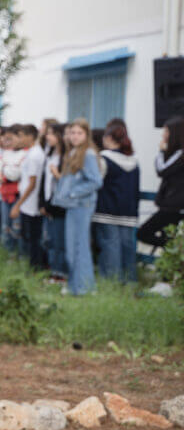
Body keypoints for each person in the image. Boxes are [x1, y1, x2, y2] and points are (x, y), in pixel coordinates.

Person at [52, 118, 103, 296]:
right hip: (73, 205)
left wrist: (73, 193)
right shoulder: (74, 152)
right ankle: (76, 286)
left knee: (79, 247)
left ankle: (84, 288)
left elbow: (96, 181)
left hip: (82, 205)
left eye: (79, 133)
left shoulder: (87, 154)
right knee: (73, 247)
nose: (74, 136)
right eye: (72, 132)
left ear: (86, 135)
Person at [93, 121, 139, 282]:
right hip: (129, 211)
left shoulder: (104, 159)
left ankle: (112, 282)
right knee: (127, 247)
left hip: (107, 210)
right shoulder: (134, 160)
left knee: (110, 246)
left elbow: (95, 182)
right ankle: (130, 281)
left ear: (108, 138)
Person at [137, 116, 184, 247]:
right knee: (168, 236)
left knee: (143, 233)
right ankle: (173, 250)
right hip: (172, 205)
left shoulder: (180, 154)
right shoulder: (177, 153)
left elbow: (162, 170)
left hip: (174, 207)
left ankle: (174, 248)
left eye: (166, 131)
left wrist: (161, 151)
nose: (163, 135)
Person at [10, 124, 46, 269]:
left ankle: (36, 267)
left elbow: (32, 183)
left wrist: (18, 204)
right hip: (27, 203)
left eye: (20, 136)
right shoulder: (31, 152)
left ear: (30, 136)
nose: (18, 139)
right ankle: (33, 265)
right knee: (29, 237)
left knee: (34, 238)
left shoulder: (35, 155)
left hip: (31, 204)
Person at [39, 123, 67, 281]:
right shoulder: (49, 155)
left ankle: (61, 273)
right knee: (50, 240)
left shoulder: (66, 157)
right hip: (49, 204)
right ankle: (54, 271)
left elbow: (66, 183)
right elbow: (44, 182)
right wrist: (43, 203)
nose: (47, 137)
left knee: (60, 241)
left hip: (60, 206)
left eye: (51, 134)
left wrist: (57, 174)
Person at [0, 126, 27, 252]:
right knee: (5, 226)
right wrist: (6, 171)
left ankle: (18, 254)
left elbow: (16, 175)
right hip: (4, 194)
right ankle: (7, 254)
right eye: (6, 139)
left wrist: (5, 170)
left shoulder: (24, 154)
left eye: (11, 138)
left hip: (17, 195)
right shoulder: (5, 154)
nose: (7, 142)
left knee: (16, 227)